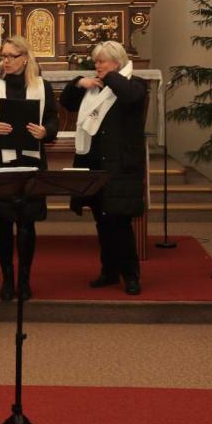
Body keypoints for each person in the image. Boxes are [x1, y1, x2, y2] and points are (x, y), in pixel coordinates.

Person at [0, 36, 59, 301]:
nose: (6, 61)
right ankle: (7, 279)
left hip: (31, 161)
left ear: (25, 58)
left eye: (11, 56)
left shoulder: (42, 86)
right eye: (3, 56)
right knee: (2, 223)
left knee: (26, 224)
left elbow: (53, 119)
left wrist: (46, 131)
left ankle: (24, 279)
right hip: (0, 162)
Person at [59, 40, 148, 295]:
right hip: (93, 164)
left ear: (117, 63)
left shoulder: (135, 84)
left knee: (120, 223)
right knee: (102, 222)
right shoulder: (94, 87)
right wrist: (79, 82)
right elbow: (67, 102)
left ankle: (131, 275)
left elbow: (131, 97)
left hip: (120, 167)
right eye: (95, 61)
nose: (96, 65)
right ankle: (109, 271)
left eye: (102, 61)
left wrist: (110, 76)